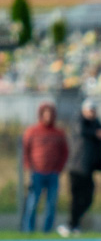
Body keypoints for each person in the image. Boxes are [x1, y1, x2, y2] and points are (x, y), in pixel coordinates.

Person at [57, 99, 101, 237]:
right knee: (77, 198)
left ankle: (75, 224)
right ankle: (71, 224)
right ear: (84, 110)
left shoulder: (95, 122)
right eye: (90, 110)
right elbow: (83, 131)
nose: (92, 112)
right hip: (76, 167)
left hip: (88, 168)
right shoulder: (78, 120)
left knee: (88, 198)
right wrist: (97, 133)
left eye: (94, 110)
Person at [21, 100, 68, 233]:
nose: (48, 117)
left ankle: (47, 230)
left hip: (53, 173)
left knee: (51, 203)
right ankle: (28, 230)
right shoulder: (32, 131)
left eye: (51, 114)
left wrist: (59, 168)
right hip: (37, 172)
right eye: (45, 114)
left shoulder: (58, 133)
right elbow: (25, 151)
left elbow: (64, 152)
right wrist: (29, 167)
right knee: (33, 202)